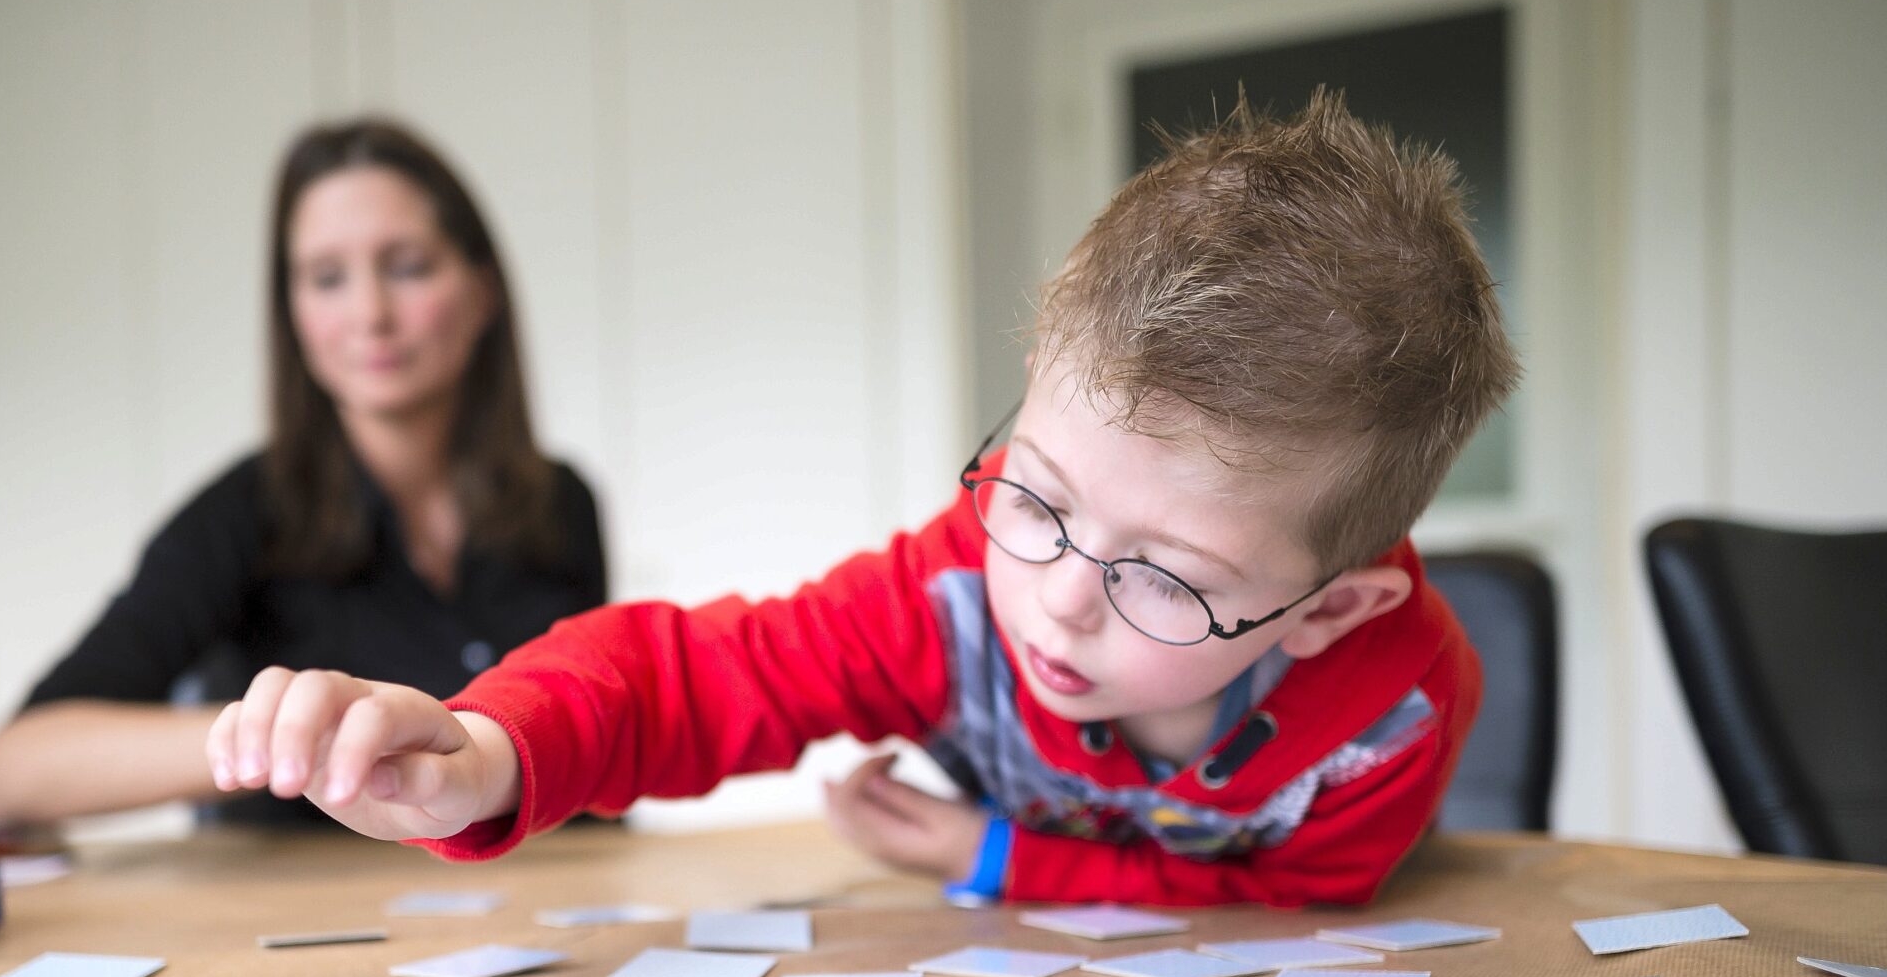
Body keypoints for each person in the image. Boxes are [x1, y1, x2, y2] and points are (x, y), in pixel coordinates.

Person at [202, 92, 1518, 906]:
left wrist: (992, 863)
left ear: (1330, 608)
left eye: (1167, 578)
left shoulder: (1395, 722)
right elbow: (690, 676)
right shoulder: (955, 593)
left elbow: (1293, 896)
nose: (1054, 604)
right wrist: (488, 755)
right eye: (1040, 498)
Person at [0, 119, 606, 828]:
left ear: (483, 291)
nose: (370, 314)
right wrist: (276, 736)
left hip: (548, 895)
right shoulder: (242, 515)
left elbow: (594, 750)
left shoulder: (562, 504)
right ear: (294, 315)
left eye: (408, 267)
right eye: (327, 279)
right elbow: (10, 774)